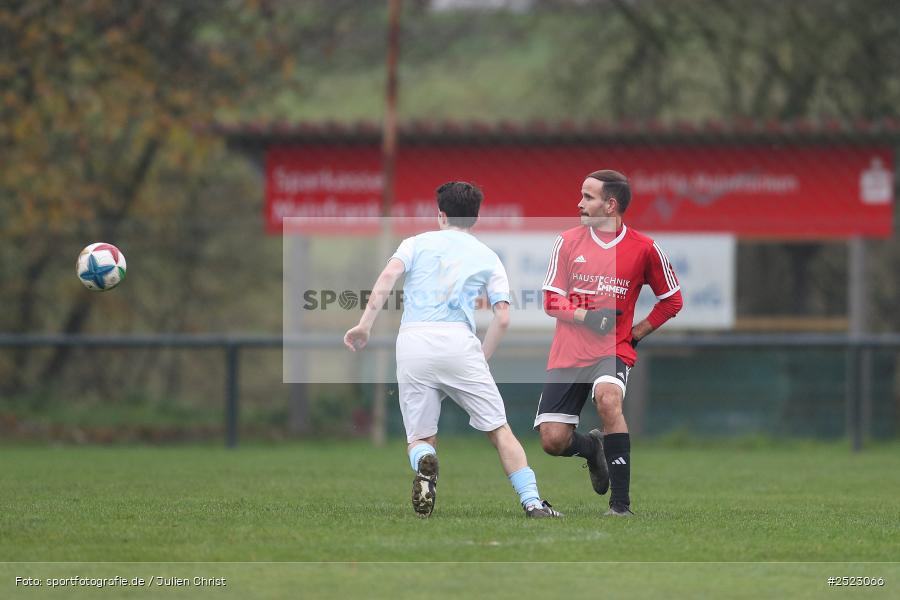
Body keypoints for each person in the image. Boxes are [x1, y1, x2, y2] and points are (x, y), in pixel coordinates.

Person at [344, 181, 562, 519]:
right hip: (459, 344)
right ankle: (533, 503)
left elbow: (388, 276)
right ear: (475, 217)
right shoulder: (488, 256)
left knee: (420, 437)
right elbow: (503, 317)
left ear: (441, 215)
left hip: (414, 342)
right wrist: (481, 358)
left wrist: (364, 325)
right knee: (499, 430)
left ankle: (424, 462)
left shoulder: (415, 243)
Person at [537, 169, 683, 516]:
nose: (579, 203)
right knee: (553, 441)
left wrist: (636, 333)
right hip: (569, 352)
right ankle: (593, 448)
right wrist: (588, 317)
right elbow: (551, 301)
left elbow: (672, 300)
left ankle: (620, 506)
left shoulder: (645, 248)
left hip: (611, 351)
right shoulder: (567, 241)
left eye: (588, 197)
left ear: (610, 205)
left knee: (608, 399)